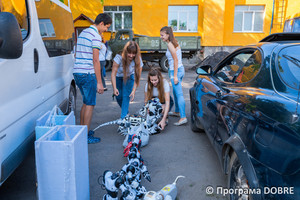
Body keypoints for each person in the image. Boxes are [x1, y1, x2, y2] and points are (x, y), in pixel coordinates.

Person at [73, 13, 112, 144]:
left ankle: (82, 132)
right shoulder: (95, 36)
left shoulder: (84, 32)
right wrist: (100, 83)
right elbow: (96, 60)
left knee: (85, 102)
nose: (106, 30)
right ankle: (85, 137)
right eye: (107, 27)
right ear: (101, 23)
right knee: (90, 104)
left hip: (77, 72)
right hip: (87, 73)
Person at [160, 26, 187, 126]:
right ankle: (177, 111)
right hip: (180, 69)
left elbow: (175, 60)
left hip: (175, 71)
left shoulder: (170, 45)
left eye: (162, 35)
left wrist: (174, 76)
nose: (161, 37)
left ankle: (183, 117)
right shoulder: (174, 42)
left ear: (168, 35)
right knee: (176, 92)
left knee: (179, 94)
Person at [111, 41, 143, 119]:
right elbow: (113, 74)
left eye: (133, 53)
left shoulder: (138, 59)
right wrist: (114, 88)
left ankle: (123, 118)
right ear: (125, 51)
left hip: (129, 77)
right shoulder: (119, 57)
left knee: (126, 96)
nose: (131, 55)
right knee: (118, 96)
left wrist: (134, 91)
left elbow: (137, 76)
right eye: (129, 53)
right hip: (118, 77)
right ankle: (125, 112)